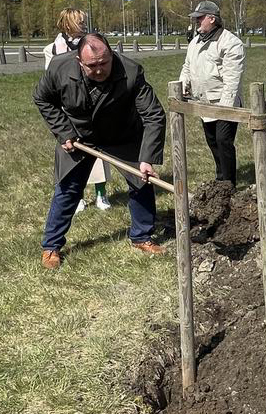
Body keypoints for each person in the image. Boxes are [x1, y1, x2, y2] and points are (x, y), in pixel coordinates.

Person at [33, 32, 167, 269]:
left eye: (104, 63)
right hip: (78, 136)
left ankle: (142, 236)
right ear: (79, 61)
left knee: (141, 182)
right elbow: (42, 98)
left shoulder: (131, 71)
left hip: (122, 135)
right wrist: (64, 132)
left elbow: (153, 114)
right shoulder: (59, 68)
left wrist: (147, 158)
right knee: (68, 188)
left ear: (111, 55)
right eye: (92, 66)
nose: (99, 70)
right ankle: (51, 246)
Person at [43, 8, 112, 213]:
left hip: (94, 109)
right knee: (72, 156)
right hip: (70, 111)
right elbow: (51, 81)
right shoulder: (53, 49)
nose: (83, 24)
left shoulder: (94, 44)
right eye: (79, 21)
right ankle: (77, 195)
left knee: (99, 156)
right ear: (68, 23)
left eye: (84, 21)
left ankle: (101, 193)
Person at [179, 0, 245, 187]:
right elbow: (187, 66)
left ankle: (229, 184)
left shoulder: (231, 43)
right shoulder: (195, 42)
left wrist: (225, 110)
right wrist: (182, 84)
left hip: (225, 103)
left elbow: (232, 80)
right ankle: (220, 179)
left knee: (223, 141)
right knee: (213, 142)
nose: (196, 22)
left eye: (200, 18)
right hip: (204, 103)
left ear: (212, 19)